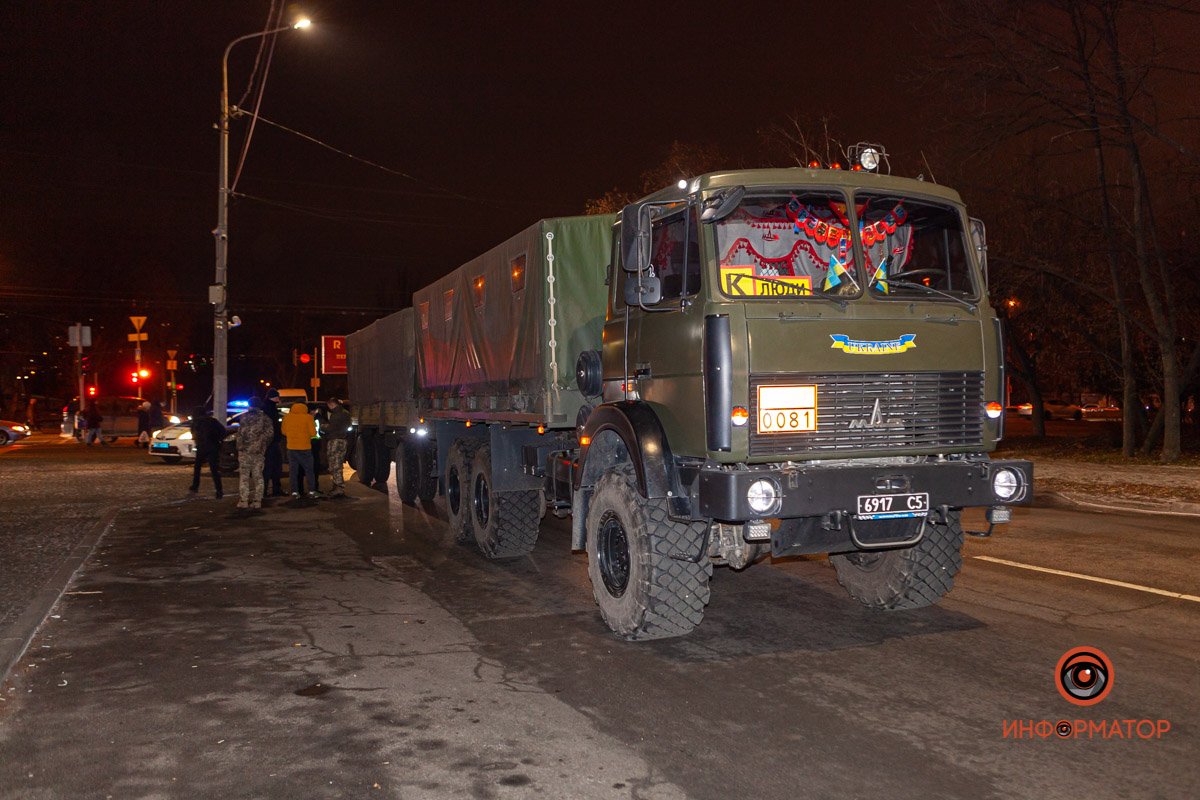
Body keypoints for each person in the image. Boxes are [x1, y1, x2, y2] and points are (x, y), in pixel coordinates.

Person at [235, 397, 274, 509]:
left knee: (244, 476)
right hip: (258, 452)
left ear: (250, 405)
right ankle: (257, 501)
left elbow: (239, 434)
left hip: (244, 452)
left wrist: (240, 447)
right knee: (258, 476)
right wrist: (261, 444)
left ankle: (243, 500)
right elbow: (270, 435)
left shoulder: (244, 417)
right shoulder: (265, 418)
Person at [187, 406, 226, 499]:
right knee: (214, 469)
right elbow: (223, 431)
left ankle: (195, 486)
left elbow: (194, 434)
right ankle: (219, 490)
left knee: (197, 468)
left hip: (201, 447)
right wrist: (218, 441)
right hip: (213, 447)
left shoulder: (196, 422)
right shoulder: (212, 421)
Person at [281, 401, 317, 498]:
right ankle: (312, 491)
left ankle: (294, 492)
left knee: (293, 471)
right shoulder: (308, 418)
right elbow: (313, 433)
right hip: (305, 448)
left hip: (291, 448)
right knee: (309, 470)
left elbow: (284, 432)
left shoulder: (287, 417)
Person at [322, 397, 352, 497]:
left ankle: (338, 487)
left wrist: (323, 427)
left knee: (334, 465)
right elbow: (348, 425)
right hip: (343, 440)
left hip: (334, 441)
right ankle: (337, 486)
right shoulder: (346, 413)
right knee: (338, 463)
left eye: (329, 406)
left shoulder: (335, 415)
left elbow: (331, 428)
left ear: (332, 404)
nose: (329, 408)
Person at [261, 389, 284, 497]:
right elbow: (273, 427)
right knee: (273, 467)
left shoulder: (267, 408)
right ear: (273, 397)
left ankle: (266, 490)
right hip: (271, 443)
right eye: (277, 397)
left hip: (269, 442)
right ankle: (273, 489)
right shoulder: (270, 409)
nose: (279, 399)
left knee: (270, 467)